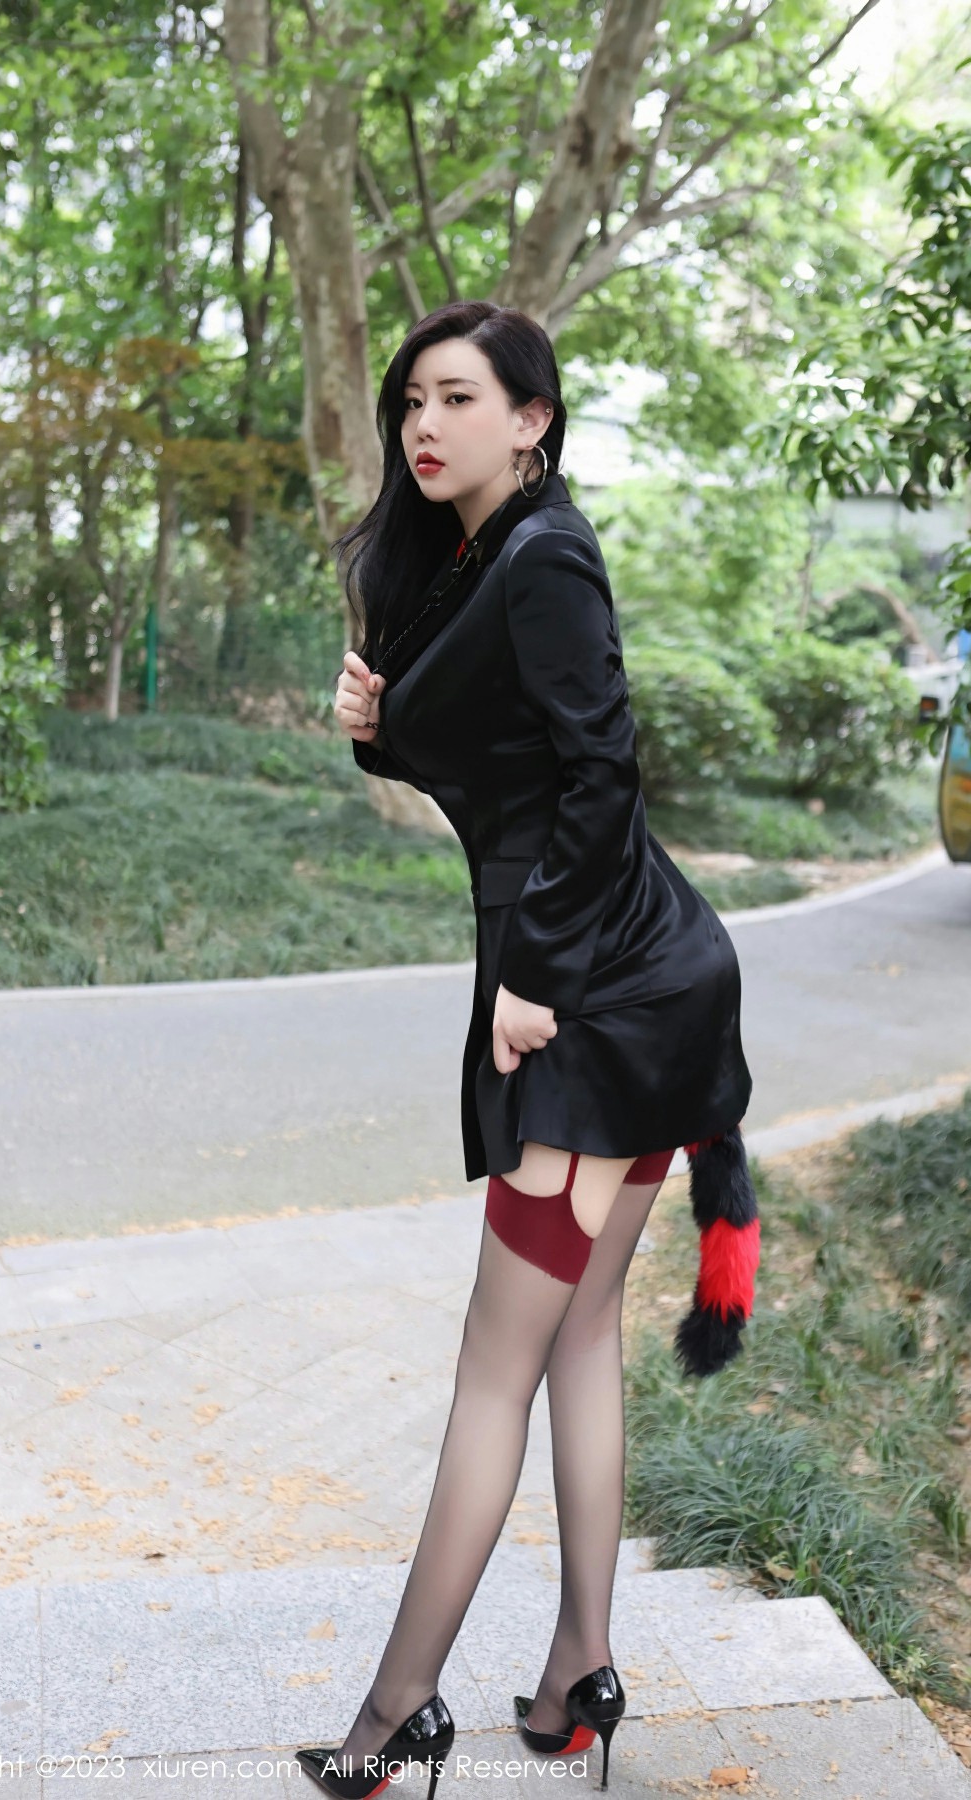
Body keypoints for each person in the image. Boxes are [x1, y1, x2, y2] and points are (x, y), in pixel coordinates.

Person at [297, 301, 758, 1800]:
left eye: (457, 397)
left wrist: (534, 983)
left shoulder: (544, 555)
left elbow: (601, 774)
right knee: (576, 1337)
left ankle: (396, 1713)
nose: (424, 425)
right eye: (411, 402)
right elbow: (500, 769)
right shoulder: (477, 559)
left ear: (532, 419)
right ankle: (579, 1673)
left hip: (594, 996)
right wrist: (378, 726)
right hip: (629, 977)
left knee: (496, 1364)